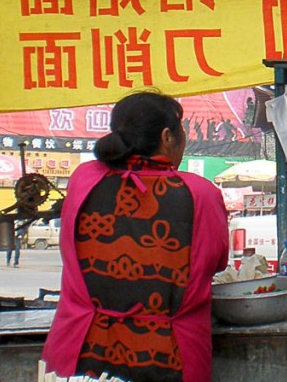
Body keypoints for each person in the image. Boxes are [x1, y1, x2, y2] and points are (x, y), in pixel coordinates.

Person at [42, 91, 229, 382]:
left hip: (84, 350)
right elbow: (215, 263)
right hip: (169, 357)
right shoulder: (200, 194)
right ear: (167, 137)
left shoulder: (84, 179)